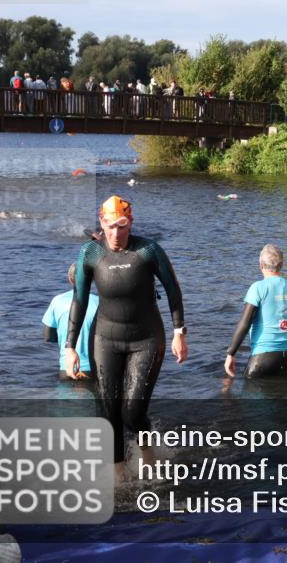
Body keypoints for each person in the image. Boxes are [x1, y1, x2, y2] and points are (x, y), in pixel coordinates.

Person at [63, 196, 188, 482]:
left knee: (132, 412)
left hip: (146, 338)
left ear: (130, 223)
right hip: (105, 338)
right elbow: (79, 301)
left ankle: (148, 454)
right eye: (110, 225)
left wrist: (179, 332)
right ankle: (117, 475)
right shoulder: (90, 253)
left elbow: (173, 291)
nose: (116, 233)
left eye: (122, 225)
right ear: (102, 223)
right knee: (109, 410)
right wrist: (70, 347)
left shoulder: (148, 250)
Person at [224, 244, 287, 379]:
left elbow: (245, 323)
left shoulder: (257, 288)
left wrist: (231, 353)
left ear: (261, 265)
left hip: (262, 356)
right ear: (281, 264)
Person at [44, 263, 98, 380]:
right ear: (91, 280)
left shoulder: (57, 301)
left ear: (70, 279)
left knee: (66, 398)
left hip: (67, 366)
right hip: (93, 368)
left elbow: (48, 336)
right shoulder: (100, 302)